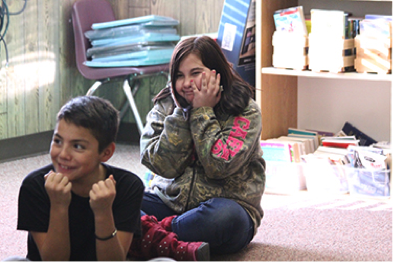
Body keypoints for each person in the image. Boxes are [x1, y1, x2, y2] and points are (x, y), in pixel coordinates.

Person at [130, 35, 266, 262]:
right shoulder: (166, 104)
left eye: (195, 73)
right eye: (179, 76)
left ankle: (149, 237)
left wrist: (202, 112)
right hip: (168, 203)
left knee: (224, 218)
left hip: (223, 209)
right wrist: (182, 113)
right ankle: (174, 246)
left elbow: (220, 166)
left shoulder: (245, 109)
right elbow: (160, 164)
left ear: (216, 72)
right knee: (117, 197)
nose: (186, 83)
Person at [14, 96, 145, 262]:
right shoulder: (35, 185)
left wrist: (103, 211)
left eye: (77, 146)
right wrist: (58, 205)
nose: (63, 154)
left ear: (106, 152)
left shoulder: (128, 186)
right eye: (58, 141)